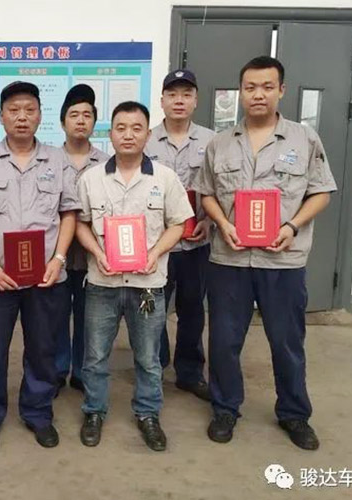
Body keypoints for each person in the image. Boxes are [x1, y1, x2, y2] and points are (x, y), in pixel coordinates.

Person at [192, 56, 337, 450]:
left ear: (281, 91)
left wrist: (292, 226)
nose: (258, 94)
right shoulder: (220, 143)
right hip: (230, 259)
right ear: (241, 92)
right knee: (224, 341)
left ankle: (294, 413)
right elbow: (207, 194)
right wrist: (222, 223)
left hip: (283, 261)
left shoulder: (304, 140)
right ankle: (225, 408)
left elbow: (321, 192)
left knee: (286, 341)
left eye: (267, 87)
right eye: (251, 87)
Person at [0, 81, 80, 453]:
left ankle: (38, 413)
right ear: (1, 116)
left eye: (29, 109)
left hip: (45, 277)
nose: (22, 117)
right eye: (14, 110)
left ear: (40, 116)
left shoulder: (58, 160)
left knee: (43, 349)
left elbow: (69, 213)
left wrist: (58, 259)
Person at [76, 100, 193, 451]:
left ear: (147, 134)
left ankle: (148, 413)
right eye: (121, 128)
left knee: (148, 358)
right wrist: (98, 253)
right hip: (102, 284)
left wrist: (155, 254)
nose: (128, 135)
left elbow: (179, 223)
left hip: (148, 286)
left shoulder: (165, 178)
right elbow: (80, 224)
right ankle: (94, 411)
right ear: (110, 133)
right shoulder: (91, 178)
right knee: (95, 356)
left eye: (137, 128)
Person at [145, 69, 215, 401]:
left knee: (192, 309)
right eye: (172, 95)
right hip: (157, 244)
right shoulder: (145, 140)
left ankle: (189, 372)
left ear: (195, 100)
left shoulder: (212, 141)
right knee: (152, 307)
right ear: (162, 101)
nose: (179, 101)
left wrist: (210, 221)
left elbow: (221, 188)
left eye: (186, 94)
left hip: (196, 241)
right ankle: (155, 367)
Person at [55, 84, 109, 395]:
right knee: (56, 315)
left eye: (87, 115)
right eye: (74, 114)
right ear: (62, 121)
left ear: (94, 122)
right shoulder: (48, 159)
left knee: (89, 318)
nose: (80, 120)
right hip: (56, 255)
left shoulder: (106, 163)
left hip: (93, 254)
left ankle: (81, 371)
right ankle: (57, 370)